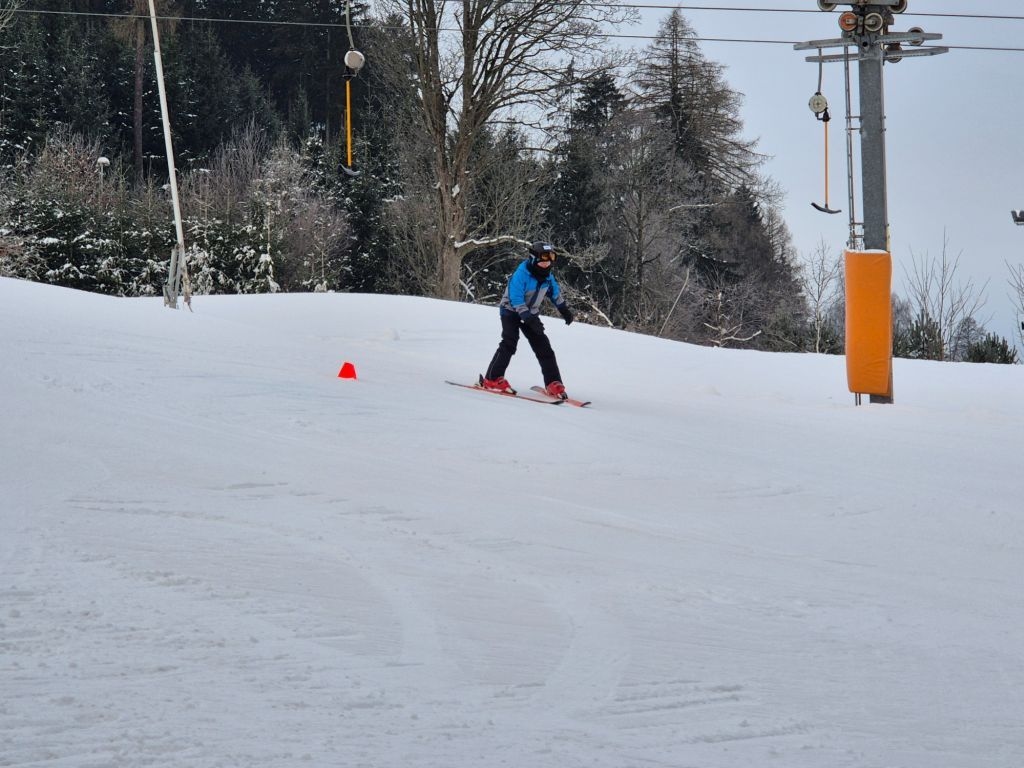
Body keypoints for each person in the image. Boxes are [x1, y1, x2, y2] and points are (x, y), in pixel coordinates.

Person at [480, 241, 574, 398]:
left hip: (530, 313)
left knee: (544, 347)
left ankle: (553, 383)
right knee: (509, 343)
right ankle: (492, 378)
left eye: (549, 261)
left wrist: (563, 309)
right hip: (510, 311)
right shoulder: (522, 274)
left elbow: (554, 293)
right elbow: (515, 298)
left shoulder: (547, 276)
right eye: (543, 261)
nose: (546, 264)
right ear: (533, 259)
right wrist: (527, 318)